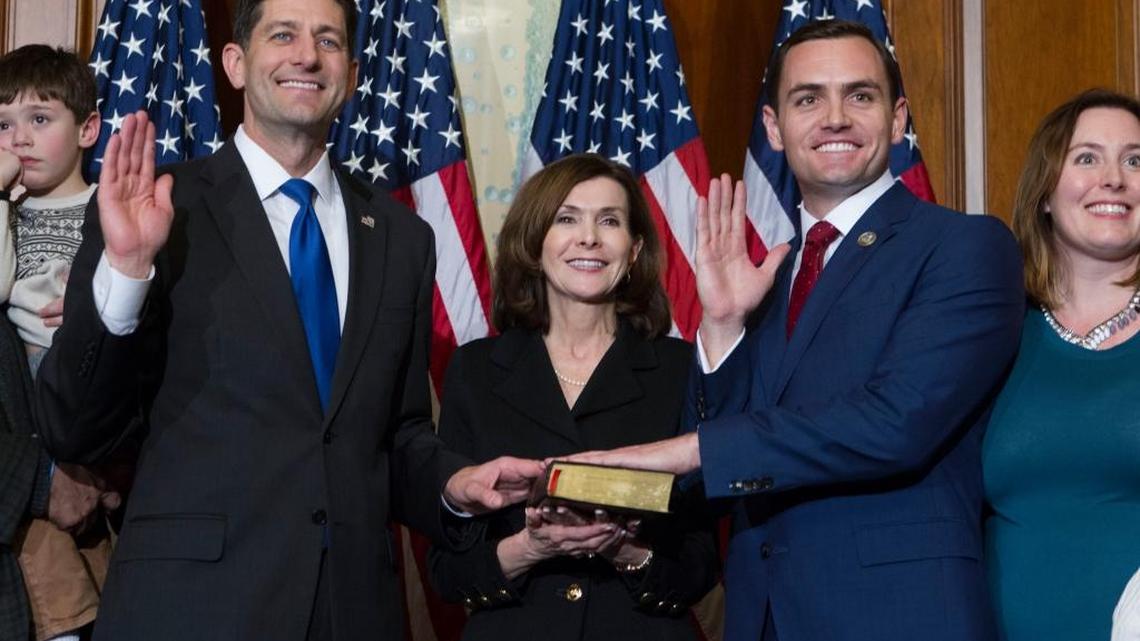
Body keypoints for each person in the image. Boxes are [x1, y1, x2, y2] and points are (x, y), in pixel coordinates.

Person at [34, 0, 542, 639]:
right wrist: (129, 268)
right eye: (284, 35)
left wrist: (454, 483)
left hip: (353, 611)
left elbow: (397, 433)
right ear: (236, 63)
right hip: (193, 609)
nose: (307, 54)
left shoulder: (401, 238)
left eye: (327, 40)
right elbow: (74, 427)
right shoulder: (160, 208)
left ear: (351, 73)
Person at [569, 19, 1025, 641]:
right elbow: (719, 480)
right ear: (774, 129)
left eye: (859, 96)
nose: (834, 117)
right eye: (808, 98)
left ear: (897, 120)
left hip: (902, 615)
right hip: (765, 618)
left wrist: (691, 452)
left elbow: (896, 424)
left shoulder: (964, 246)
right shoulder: (767, 274)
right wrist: (725, 324)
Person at [426, 154, 718, 641]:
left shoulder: (681, 369)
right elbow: (446, 570)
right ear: (535, 244)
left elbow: (701, 562)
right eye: (567, 218)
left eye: (609, 220)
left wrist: (625, 551)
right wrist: (530, 547)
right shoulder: (474, 370)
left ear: (634, 248)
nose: (589, 237)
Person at [983, 89, 1140, 641]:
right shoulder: (991, 333)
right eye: (1087, 157)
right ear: (1046, 191)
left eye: (1135, 160)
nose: (1114, 178)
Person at [0, 44, 119, 641]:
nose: (18, 138)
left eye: (39, 120)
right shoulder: (8, 214)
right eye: (2, 124)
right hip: (21, 395)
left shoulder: (109, 208)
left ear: (87, 129)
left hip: (92, 389)